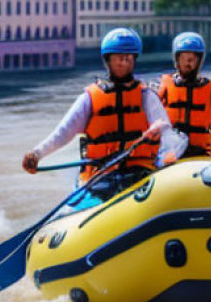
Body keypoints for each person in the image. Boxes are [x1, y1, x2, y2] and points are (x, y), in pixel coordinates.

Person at [22, 28, 182, 196]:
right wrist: (36, 154)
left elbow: (167, 133)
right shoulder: (89, 99)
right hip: (101, 175)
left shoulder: (146, 96)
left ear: (134, 60)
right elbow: (63, 133)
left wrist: (170, 155)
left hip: (139, 171)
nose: (123, 63)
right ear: (108, 61)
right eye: (117, 59)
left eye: (128, 58)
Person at [155, 32, 211, 158]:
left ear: (199, 61)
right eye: (184, 58)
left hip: (201, 153)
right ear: (177, 60)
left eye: (192, 59)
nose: (188, 63)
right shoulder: (162, 86)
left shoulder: (209, 89)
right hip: (172, 154)